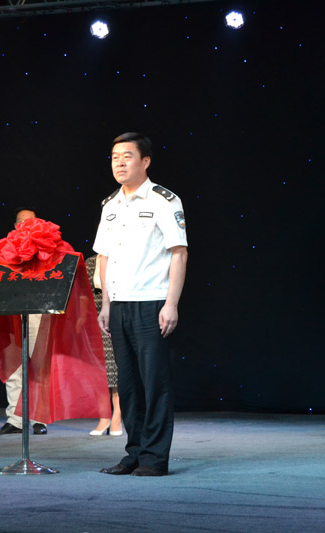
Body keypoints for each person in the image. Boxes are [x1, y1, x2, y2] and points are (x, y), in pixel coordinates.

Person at [93, 132, 188, 477]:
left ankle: (154, 458)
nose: (119, 163)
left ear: (145, 161)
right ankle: (134, 452)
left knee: (154, 383)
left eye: (127, 156)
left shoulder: (164, 200)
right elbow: (103, 256)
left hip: (151, 303)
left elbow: (179, 253)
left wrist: (171, 304)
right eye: (114, 157)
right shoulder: (110, 204)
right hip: (119, 305)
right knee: (129, 385)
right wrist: (106, 304)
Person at [0, 207, 48, 436]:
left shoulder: (46, 246)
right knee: (14, 367)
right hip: (11, 312)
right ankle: (16, 419)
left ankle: (40, 419)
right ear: (15, 226)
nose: (26, 226)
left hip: (38, 312)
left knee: (39, 367)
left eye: (31, 222)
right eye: (21, 222)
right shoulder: (5, 247)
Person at [86, 254, 122, 436]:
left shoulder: (122, 257)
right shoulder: (91, 262)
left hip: (118, 312)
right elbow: (84, 294)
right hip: (94, 317)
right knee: (99, 370)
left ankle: (117, 416)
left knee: (116, 369)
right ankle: (103, 417)